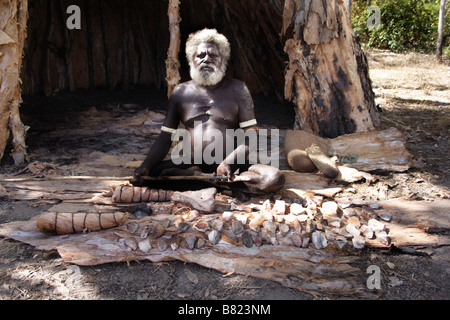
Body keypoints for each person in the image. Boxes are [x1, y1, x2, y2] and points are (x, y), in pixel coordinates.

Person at [133, 28, 284, 194]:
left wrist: (229, 162)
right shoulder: (180, 93)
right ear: (192, 60)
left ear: (223, 60)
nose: (207, 59)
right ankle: (215, 183)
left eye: (213, 55)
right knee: (150, 175)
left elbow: (252, 136)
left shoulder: (238, 89)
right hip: (189, 162)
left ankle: (196, 180)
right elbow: (165, 137)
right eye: (201, 55)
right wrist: (145, 165)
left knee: (274, 178)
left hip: (230, 164)